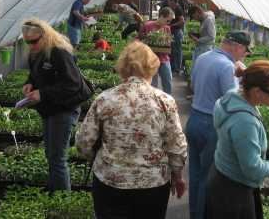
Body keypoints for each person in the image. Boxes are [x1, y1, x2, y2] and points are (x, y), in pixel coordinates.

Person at [75, 41, 187, 219]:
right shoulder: (165, 101)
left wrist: (100, 159)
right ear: (152, 67)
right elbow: (176, 144)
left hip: (110, 181)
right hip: (153, 185)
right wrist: (178, 176)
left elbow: (84, 142)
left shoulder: (105, 99)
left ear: (123, 67)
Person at [207, 60, 269, 219]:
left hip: (222, 175)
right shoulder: (244, 122)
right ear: (257, 91)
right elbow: (253, 169)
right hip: (234, 191)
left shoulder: (232, 97)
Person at [185, 31, 252, 219]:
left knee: (196, 174)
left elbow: (193, 85)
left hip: (194, 119)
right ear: (237, 46)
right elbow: (232, 101)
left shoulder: (203, 57)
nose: (244, 55)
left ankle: (193, 213)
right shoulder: (226, 66)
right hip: (211, 126)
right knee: (208, 178)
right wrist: (243, 78)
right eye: (245, 51)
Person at [21, 18, 83, 192]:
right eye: (27, 42)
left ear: (45, 35)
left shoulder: (59, 52)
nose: (31, 45)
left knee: (58, 158)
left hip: (64, 110)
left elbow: (73, 84)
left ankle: (63, 203)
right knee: (51, 154)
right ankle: (53, 190)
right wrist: (30, 83)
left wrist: (42, 93)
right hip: (49, 109)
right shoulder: (36, 53)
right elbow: (36, 74)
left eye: (34, 41)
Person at [139, 7, 175, 94]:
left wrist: (167, 43)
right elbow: (139, 38)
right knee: (153, 83)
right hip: (151, 59)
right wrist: (147, 38)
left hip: (164, 58)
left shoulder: (167, 28)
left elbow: (168, 43)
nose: (168, 23)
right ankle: (153, 102)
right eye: (167, 20)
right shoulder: (148, 25)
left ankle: (168, 101)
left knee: (168, 80)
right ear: (162, 16)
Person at [167, 0, 185, 74]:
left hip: (177, 32)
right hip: (173, 32)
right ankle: (173, 67)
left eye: (169, 0)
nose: (168, 2)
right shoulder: (172, 8)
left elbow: (182, 21)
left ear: (173, 1)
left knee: (178, 50)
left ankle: (178, 68)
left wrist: (172, 25)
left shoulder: (178, 8)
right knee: (173, 50)